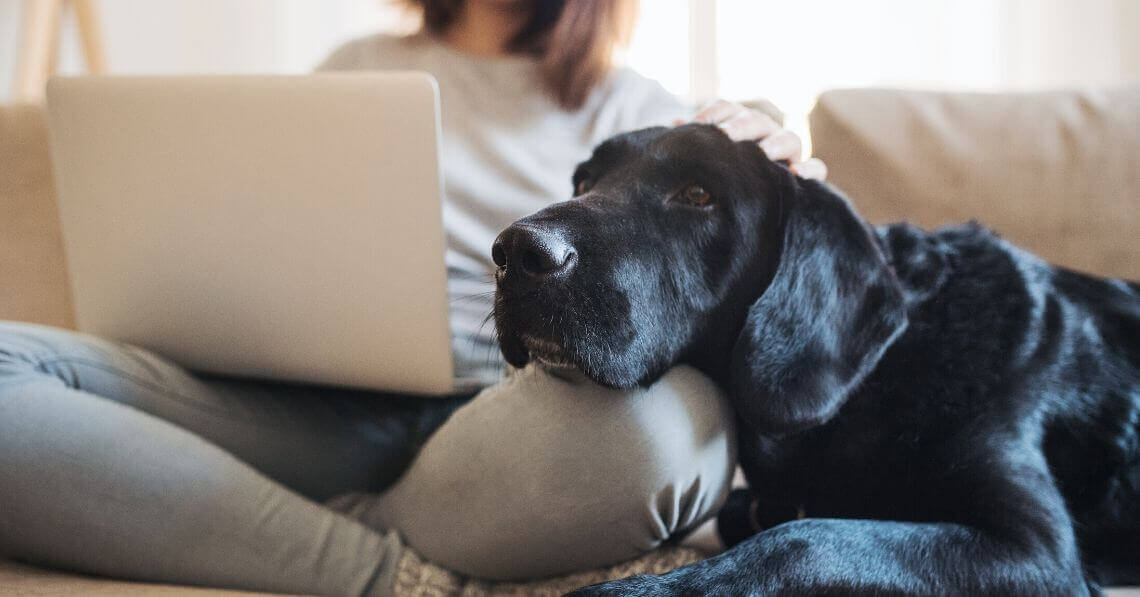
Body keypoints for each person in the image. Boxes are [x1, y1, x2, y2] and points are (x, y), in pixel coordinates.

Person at [0, 1, 825, 595]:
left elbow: (749, 249)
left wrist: (782, 165)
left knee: (662, 437)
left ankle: (252, 516)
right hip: (303, 402)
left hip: (510, 422)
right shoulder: (355, 68)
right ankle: (386, 567)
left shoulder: (639, 109)